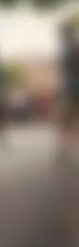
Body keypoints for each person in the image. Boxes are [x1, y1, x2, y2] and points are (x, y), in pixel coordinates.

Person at [55, 21, 79, 163]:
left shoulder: (66, 50)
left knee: (65, 122)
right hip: (70, 89)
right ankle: (63, 150)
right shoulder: (71, 49)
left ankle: (63, 150)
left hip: (69, 90)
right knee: (68, 121)